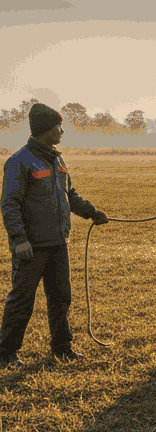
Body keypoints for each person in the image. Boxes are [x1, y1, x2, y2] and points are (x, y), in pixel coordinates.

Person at [0, 104, 109, 368]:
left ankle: (62, 347)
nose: (62, 131)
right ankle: (6, 353)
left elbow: (69, 194)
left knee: (61, 297)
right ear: (46, 129)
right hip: (31, 246)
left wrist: (91, 212)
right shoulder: (19, 161)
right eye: (59, 126)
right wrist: (19, 240)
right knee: (22, 300)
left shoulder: (57, 159)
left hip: (59, 243)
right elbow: (9, 204)